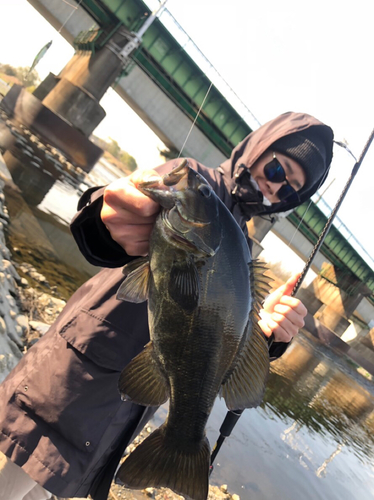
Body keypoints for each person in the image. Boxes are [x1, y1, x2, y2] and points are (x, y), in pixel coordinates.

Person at [0, 111, 334, 500]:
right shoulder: (194, 183)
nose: (277, 187)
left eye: (293, 190)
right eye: (278, 168)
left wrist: (263, 334)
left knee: (45, 487)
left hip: (120, 409)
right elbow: (119, 205)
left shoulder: (242, 247)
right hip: (72, 381)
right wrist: (105, 215)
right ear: (258, 150)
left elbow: (218, 336)